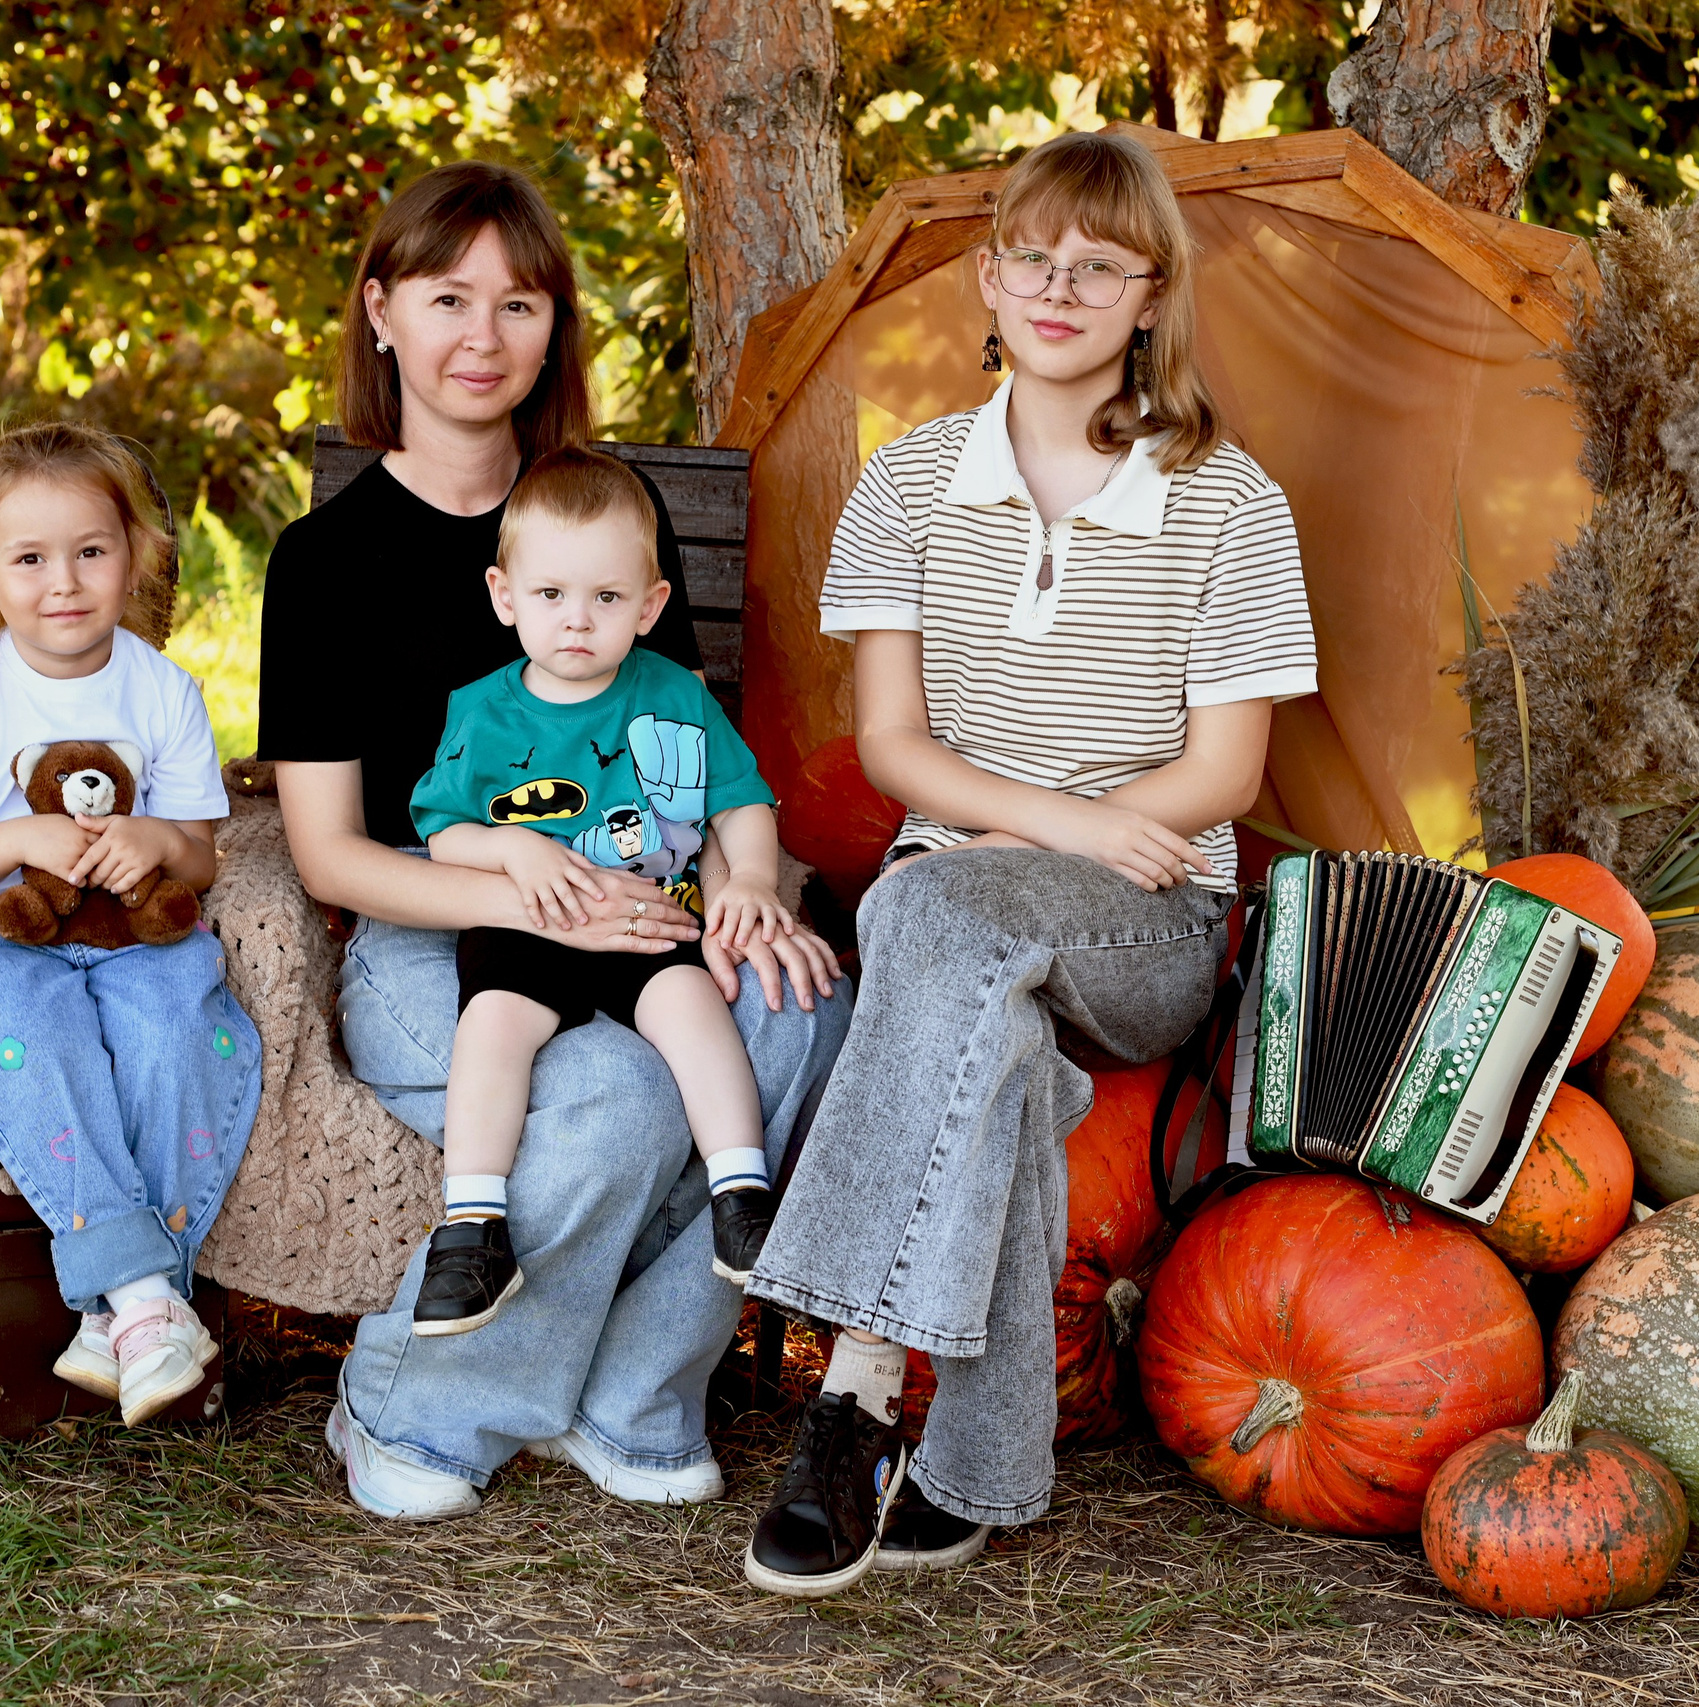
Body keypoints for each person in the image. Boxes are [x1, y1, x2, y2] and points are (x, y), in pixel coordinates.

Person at [740, 130, 1319, 1596]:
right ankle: (981, 1468)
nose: (1061, 289)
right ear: (990, 280)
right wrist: (1050, 819)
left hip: (1148, 916)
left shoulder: (1228, 501)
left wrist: (1061, 836)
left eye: (1100, 266)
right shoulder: (909, 483)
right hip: (968, 895)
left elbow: (1225, 775)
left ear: (1152, 296)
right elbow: (893, 745)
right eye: (1033, 258)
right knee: (973, 1000)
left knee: (932, 905)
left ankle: (851, 1391)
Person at [260, 161, 849, 1521]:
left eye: (519, 303)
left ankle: (633, 1391)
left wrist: (741, 892)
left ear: (552, 330)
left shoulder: (605, 517)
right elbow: (331, 856)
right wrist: (522, 891)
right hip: (434, 934)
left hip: (638, 898)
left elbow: (682, 754)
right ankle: (410, 1405)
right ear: (381, 313)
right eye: (448, 298)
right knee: (613, 1097)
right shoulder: (327, 561)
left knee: (791, 1013)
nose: (484, 335)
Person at [0, 421, 256, 1426]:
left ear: (134, 556)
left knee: (181, 1030)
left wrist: (155, 839)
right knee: (36, 1034)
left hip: (133, 935)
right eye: (29, 559)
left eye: (91, 550)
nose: (63, 581)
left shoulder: (163, 689)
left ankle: (118, 1314)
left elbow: (199, 856)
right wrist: (20, 838)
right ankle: (147, 1294)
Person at [408, 448, 793, 1333]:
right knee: (492, 1025)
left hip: (651, 913)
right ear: (505, 596)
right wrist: (512, 848)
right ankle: (472, 1225)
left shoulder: (673, 697)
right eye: (550, 594)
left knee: (696, 1010)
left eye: (607, 598)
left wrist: (753, 877)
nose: (577, 620)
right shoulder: (483, 710)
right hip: (530, 921)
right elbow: (442, 831)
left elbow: (740, 799)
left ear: (650, 606)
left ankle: (742, 1195)